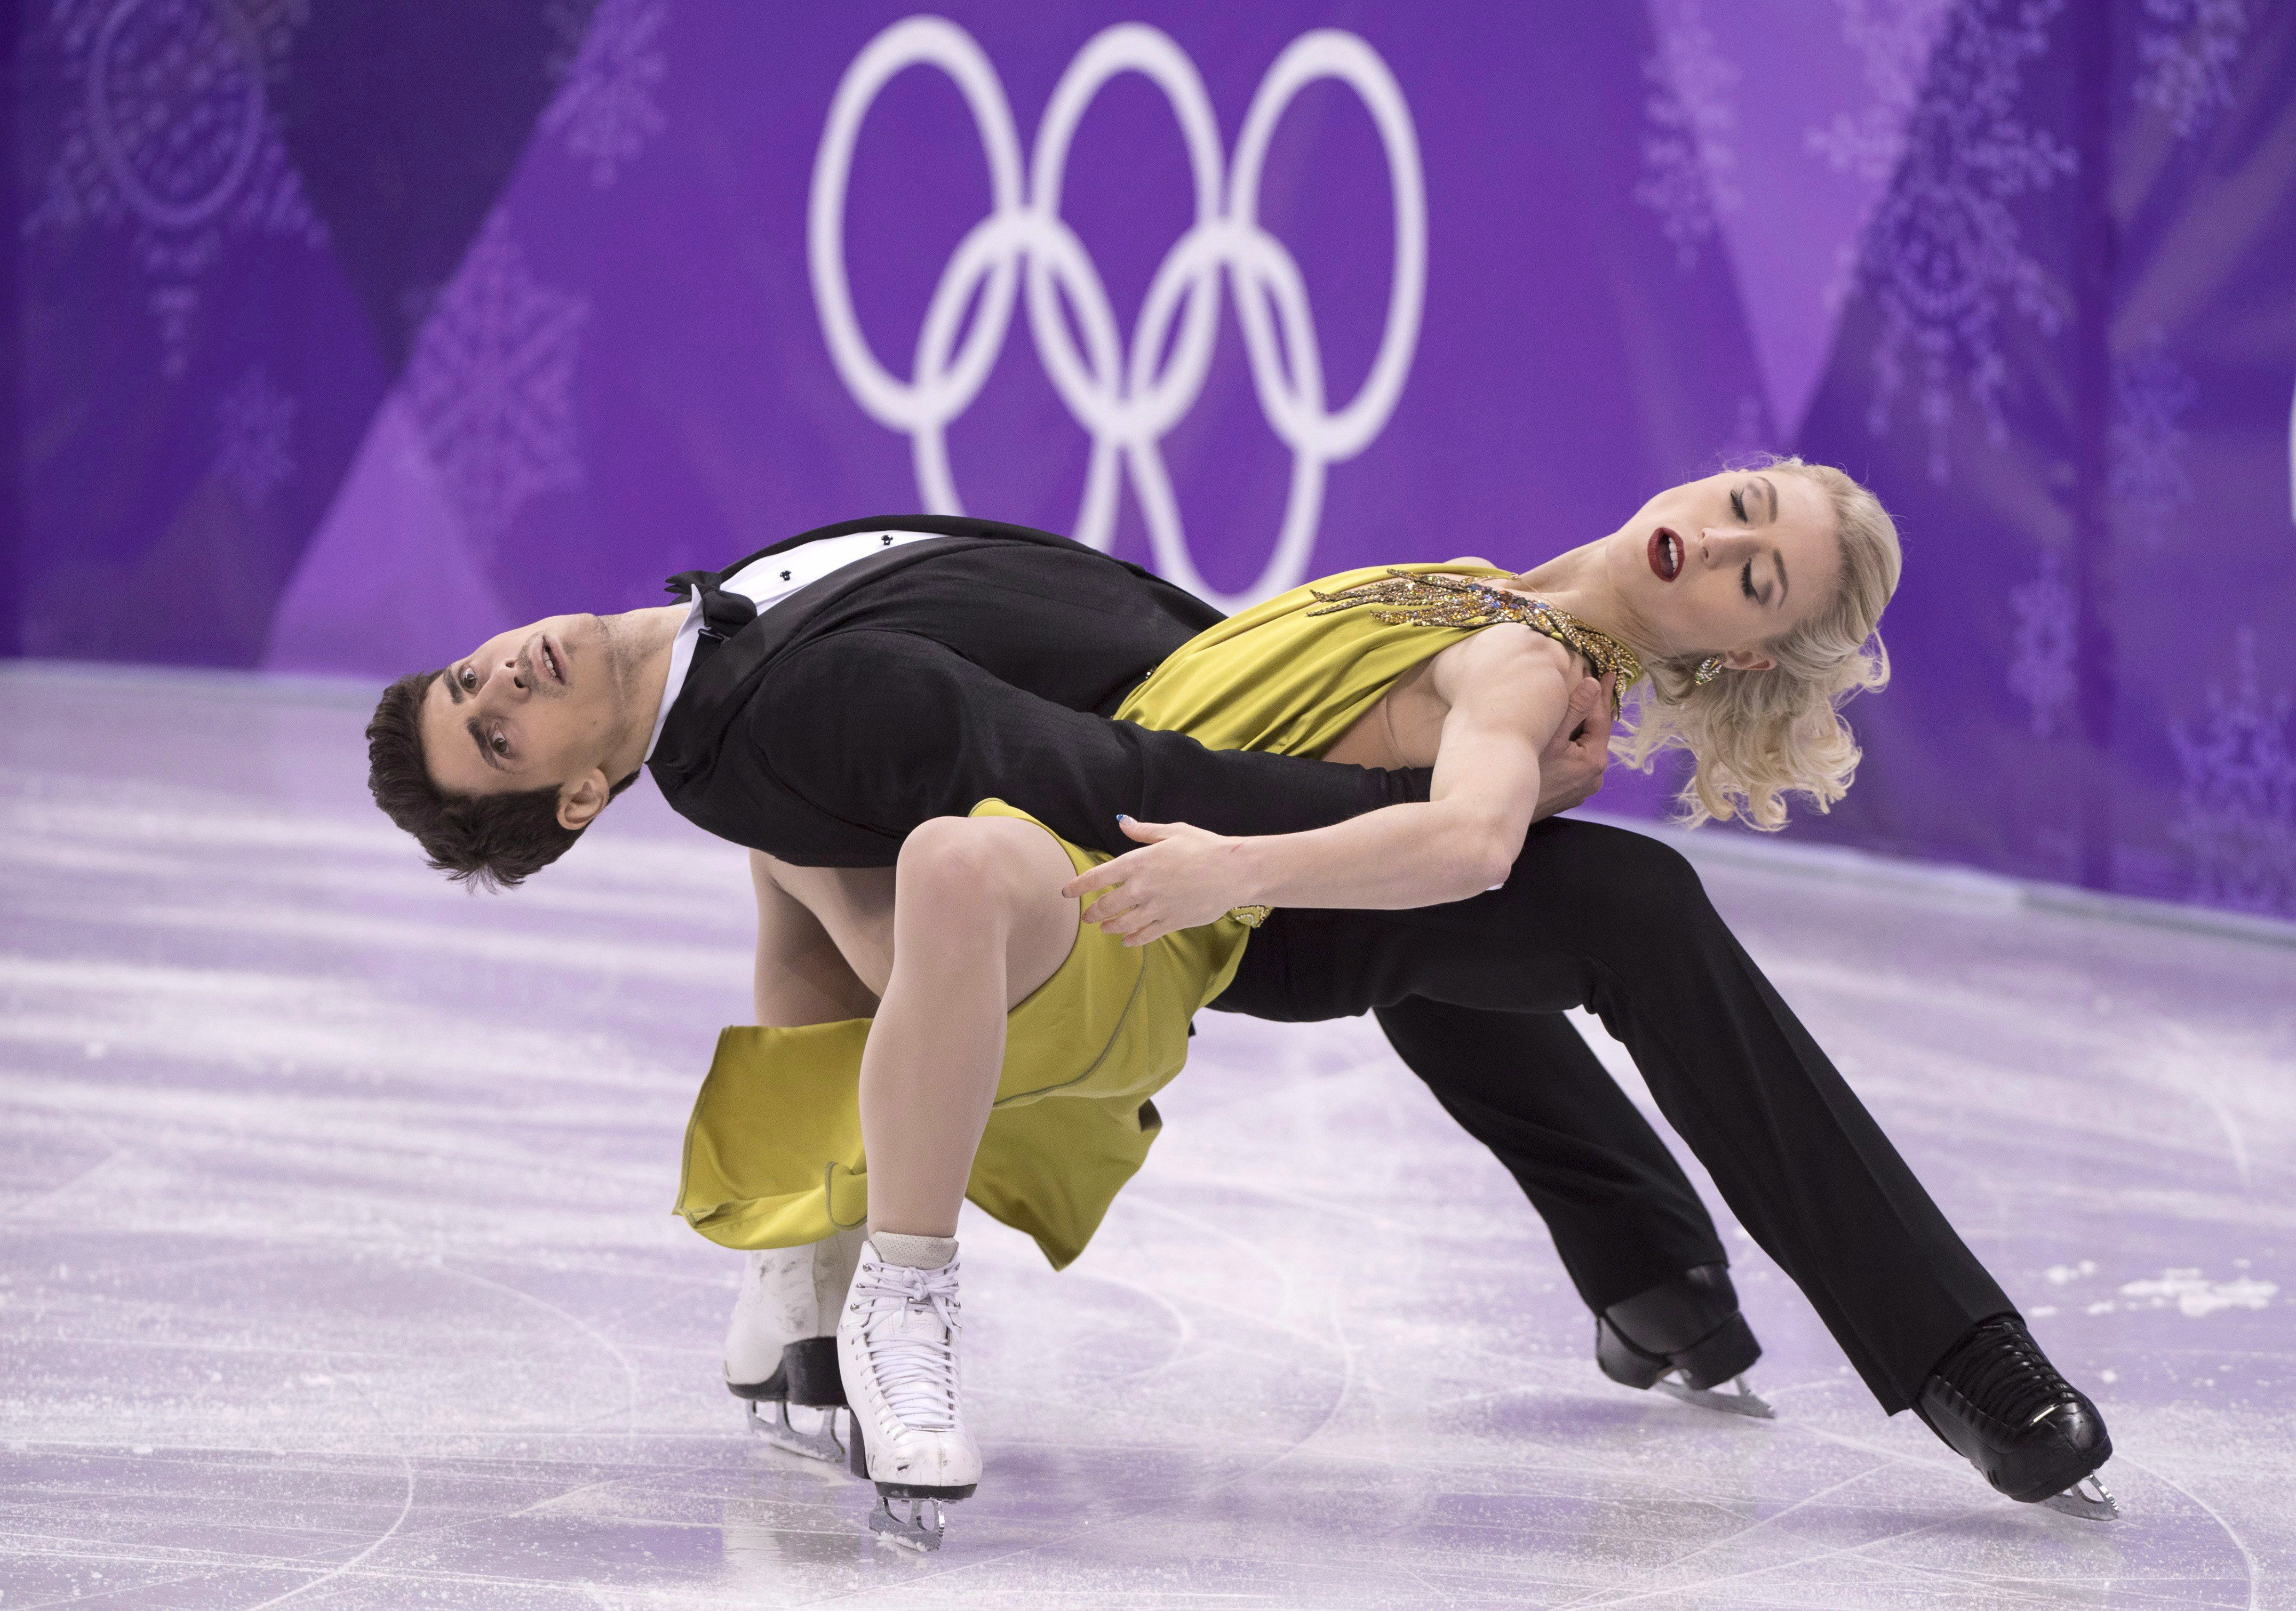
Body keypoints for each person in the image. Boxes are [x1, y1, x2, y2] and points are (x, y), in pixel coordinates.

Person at [366, 462, 2114, 1548]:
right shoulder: (1511, 617)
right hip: (1183, 850)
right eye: (1742, 512)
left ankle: (1735, 1302)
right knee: (1530, 907)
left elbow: (1433, 798)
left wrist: (1302, 819)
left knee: (1528, 923)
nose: (1724, 535)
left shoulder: (1532, 646)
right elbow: (851, 854)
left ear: (1739, 643)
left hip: (1227, 840)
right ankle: (1785, 1307)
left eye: (1757, 560)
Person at [368, 514, 1769, 1445]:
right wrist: (1358, 804)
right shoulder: (762, 725)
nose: (504, 677)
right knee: (1460, 912)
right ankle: (825, 1267)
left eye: (470, 679)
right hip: (1182, 846)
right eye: (497, 732)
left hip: (1194, 756)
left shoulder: (715, 642)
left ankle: (1659, 1276)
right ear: (574, 794)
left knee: (1445, 977)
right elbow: (1065, 781)